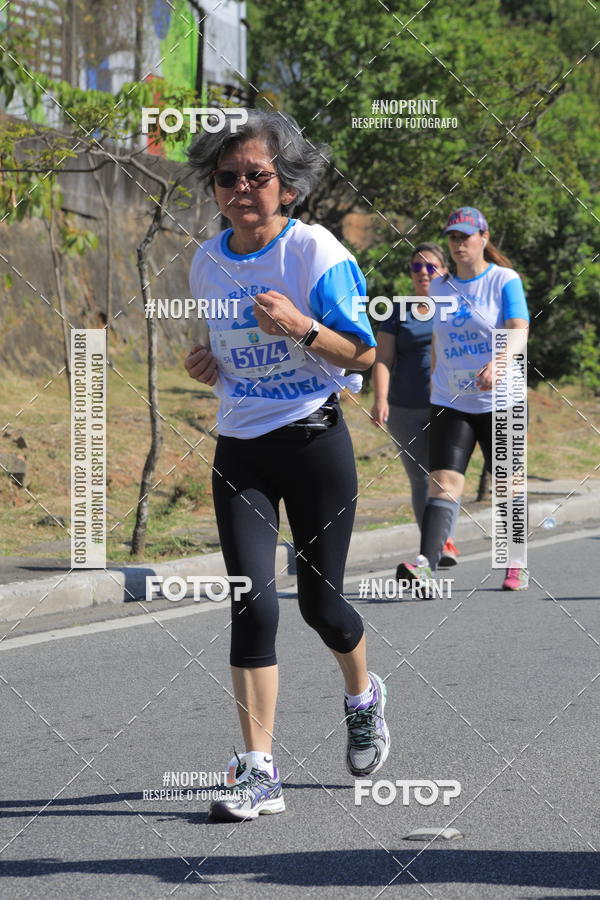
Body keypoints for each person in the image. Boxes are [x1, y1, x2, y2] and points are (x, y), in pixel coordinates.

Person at [184, 109, 389, 822]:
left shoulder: (316, 254)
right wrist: (207, 365)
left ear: (287, 187)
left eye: (257, 176)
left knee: (321, 606)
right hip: (240, 447)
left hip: (313, 442)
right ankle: (258, 771)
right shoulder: (206, 260)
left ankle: (362, 699)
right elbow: (222, 351)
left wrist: (302, 328)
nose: (242, 188)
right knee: (252, 599)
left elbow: (363, 354)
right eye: (227, 177)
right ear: (214, 189)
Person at [396, 207, 530, 592]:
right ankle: (426, 564)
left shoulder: (504, 280)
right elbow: (439, 340)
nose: (458, 244)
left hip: (500, 400)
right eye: (452, 237)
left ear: (483, 238)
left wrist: (499, 363)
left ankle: (513, 562)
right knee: (443, 482)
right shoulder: (439, 287)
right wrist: (433, 386)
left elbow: (520, 331)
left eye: (465, 237)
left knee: (507, 483)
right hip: (450, 400)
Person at [370, 242, 461, 568]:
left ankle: (442, 541)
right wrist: (380, 399)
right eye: (416, 267)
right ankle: (436, 544)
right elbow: (382, 359)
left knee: (446, 473)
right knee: (419, 477)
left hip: (448, 405)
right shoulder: (397, 310)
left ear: (444, 271)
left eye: (431, 266)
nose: (423, 272)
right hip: (405, 406)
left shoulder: (455, 307)